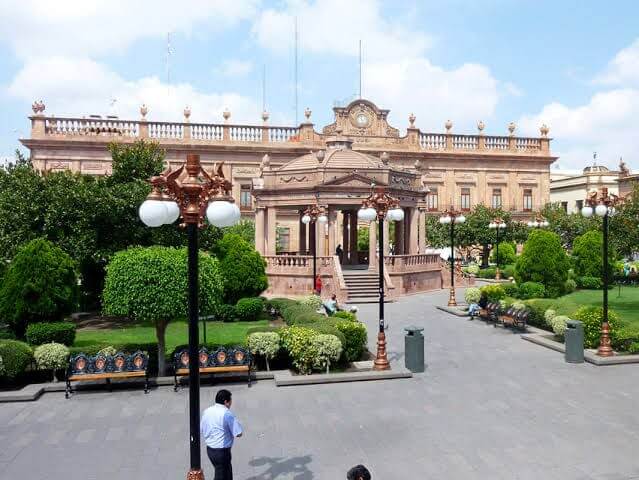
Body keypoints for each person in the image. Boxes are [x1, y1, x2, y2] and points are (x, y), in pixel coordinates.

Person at [201, 389, 243, 480]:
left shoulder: (207, 411)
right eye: (230, 401)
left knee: (226, 473)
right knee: (221, 475)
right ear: (226, 402)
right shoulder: (227, 414)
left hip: (210, 449)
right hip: (222, 451)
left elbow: (202, 429)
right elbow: (238, 433)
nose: (231, 404)